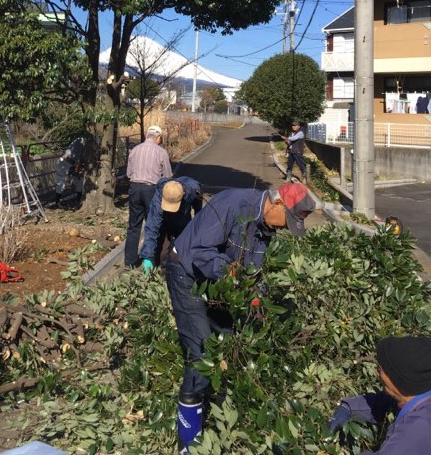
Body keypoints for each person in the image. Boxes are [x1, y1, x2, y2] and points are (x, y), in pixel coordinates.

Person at [166, 182, 315, 397]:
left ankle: (216, 407)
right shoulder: (233, 204)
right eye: (288, 221)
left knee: (225, 340)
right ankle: (189, 419)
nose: (284, 228)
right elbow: (200, 252)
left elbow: (252, 268)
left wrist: (257, 299)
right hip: (186, 271)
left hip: (215, 280)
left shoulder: (266, 227)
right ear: (277, 203)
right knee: (202, 354)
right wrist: (232, 273)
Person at [327, 335, 431, 453]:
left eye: (380, 369)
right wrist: (348, 407)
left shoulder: (415, 430)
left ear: (398, 379)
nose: (376, 372)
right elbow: (384, 402)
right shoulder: (419, 391)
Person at [124, 124, 172, 268]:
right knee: (154, 225)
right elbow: (168, 176)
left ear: (147, 136)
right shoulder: (161, 152)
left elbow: (128, 173)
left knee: (134, 225)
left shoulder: (135, 150)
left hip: (134, 188)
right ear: (158, 137)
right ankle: (152, 259)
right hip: (151, 189)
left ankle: (130, 261)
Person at [139, 176, 202, 272]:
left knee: (182, 251)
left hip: (183, 221)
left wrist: (197, 230)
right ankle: (163, 273)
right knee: (162, 253)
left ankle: (181, 272)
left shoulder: (193, 190)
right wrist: (147, 256)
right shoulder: (159, 198)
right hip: (164, 220)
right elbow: (152, 227)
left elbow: (198, 211)